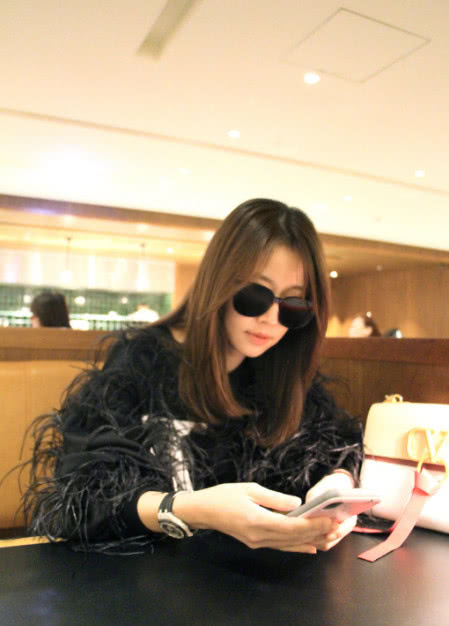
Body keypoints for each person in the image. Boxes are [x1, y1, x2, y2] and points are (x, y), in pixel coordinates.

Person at [24, 199, 363, 554]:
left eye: (293, 304)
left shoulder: (282, 373)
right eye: (255, 294)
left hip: (261, 577)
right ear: (219, 283)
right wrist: (191, 510)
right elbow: (83, 498)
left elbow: (336, 447)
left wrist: (336, 488)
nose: (270, 318)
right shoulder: (143, 360)